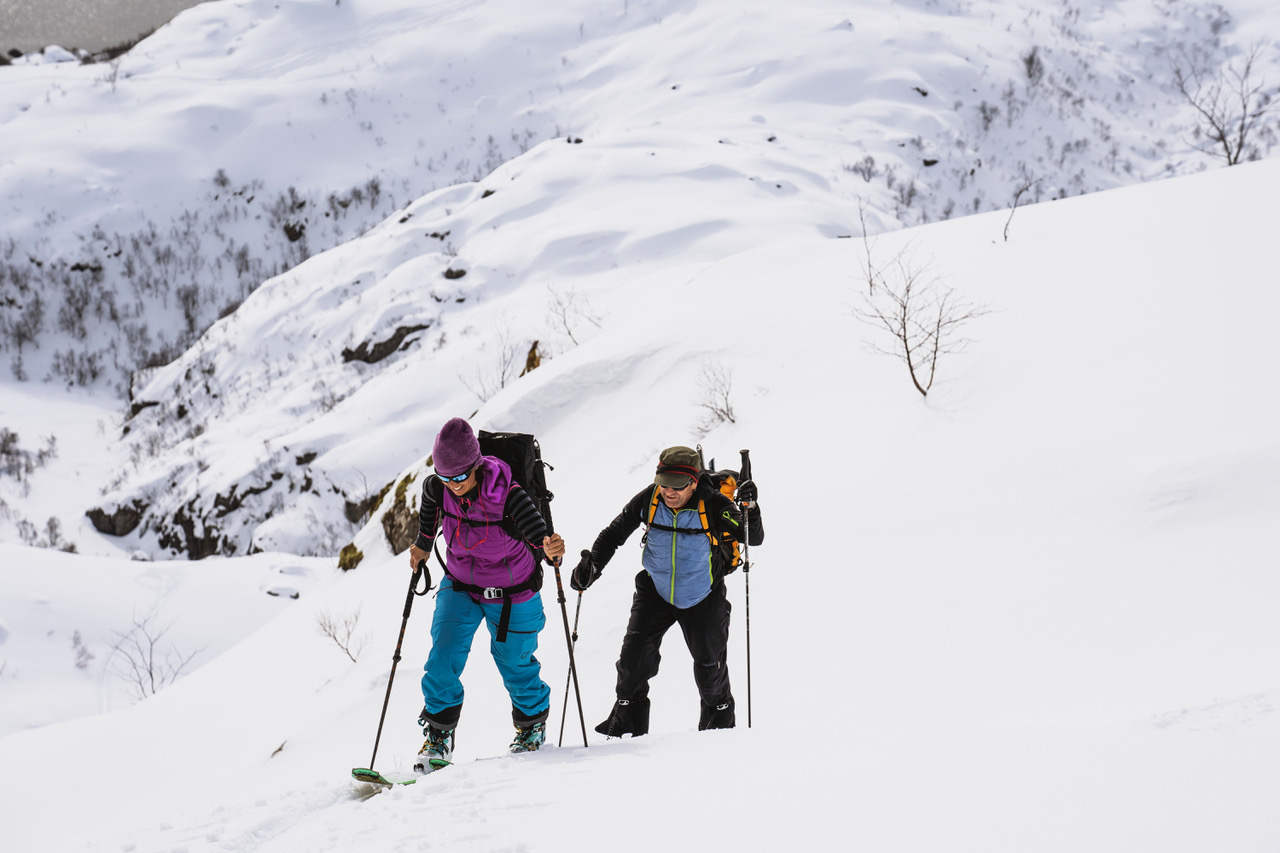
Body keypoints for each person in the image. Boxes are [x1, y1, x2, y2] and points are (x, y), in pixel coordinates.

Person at [406, 417, 565, 771]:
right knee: (441, 657)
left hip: (513, 592)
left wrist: (549, 545)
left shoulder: (508, 494)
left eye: (460, 477)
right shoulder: (437, 489)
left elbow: (536, 529)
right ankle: (438, 737)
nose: (454, 485)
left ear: (476, 466)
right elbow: (430, 519)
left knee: (515, 663)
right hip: (461, 584)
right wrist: (421, 546)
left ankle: (530, 728)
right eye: (447, 478)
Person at [571, 445, 763, 736]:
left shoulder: (714, 504)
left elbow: (753, 536)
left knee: (710, 669)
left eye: (676, 486)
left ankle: (718, 727)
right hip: (655, 592)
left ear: (694, 482)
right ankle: (626, 728)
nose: (668, 493)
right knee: (633, 662)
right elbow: (614, 534)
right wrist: (592, 567)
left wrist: (751, 509)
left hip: (703, 594)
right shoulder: (649, 498)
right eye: (663, 484)